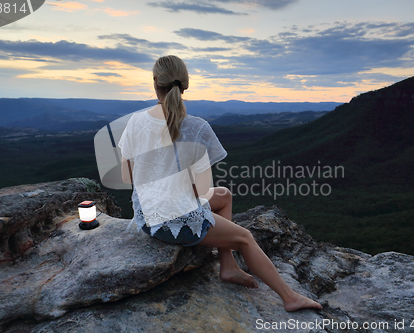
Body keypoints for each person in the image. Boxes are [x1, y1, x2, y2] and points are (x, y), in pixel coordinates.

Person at [118, 55, 322, 312]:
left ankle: (228, 266)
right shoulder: (197, 127)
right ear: (185, 85)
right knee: (246, 238)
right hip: (174, 225)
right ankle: (290, 297)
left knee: (223, 195)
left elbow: (127, 177)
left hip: (147, 218)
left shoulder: (135, 121)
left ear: (155, 81)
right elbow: (200, 192)